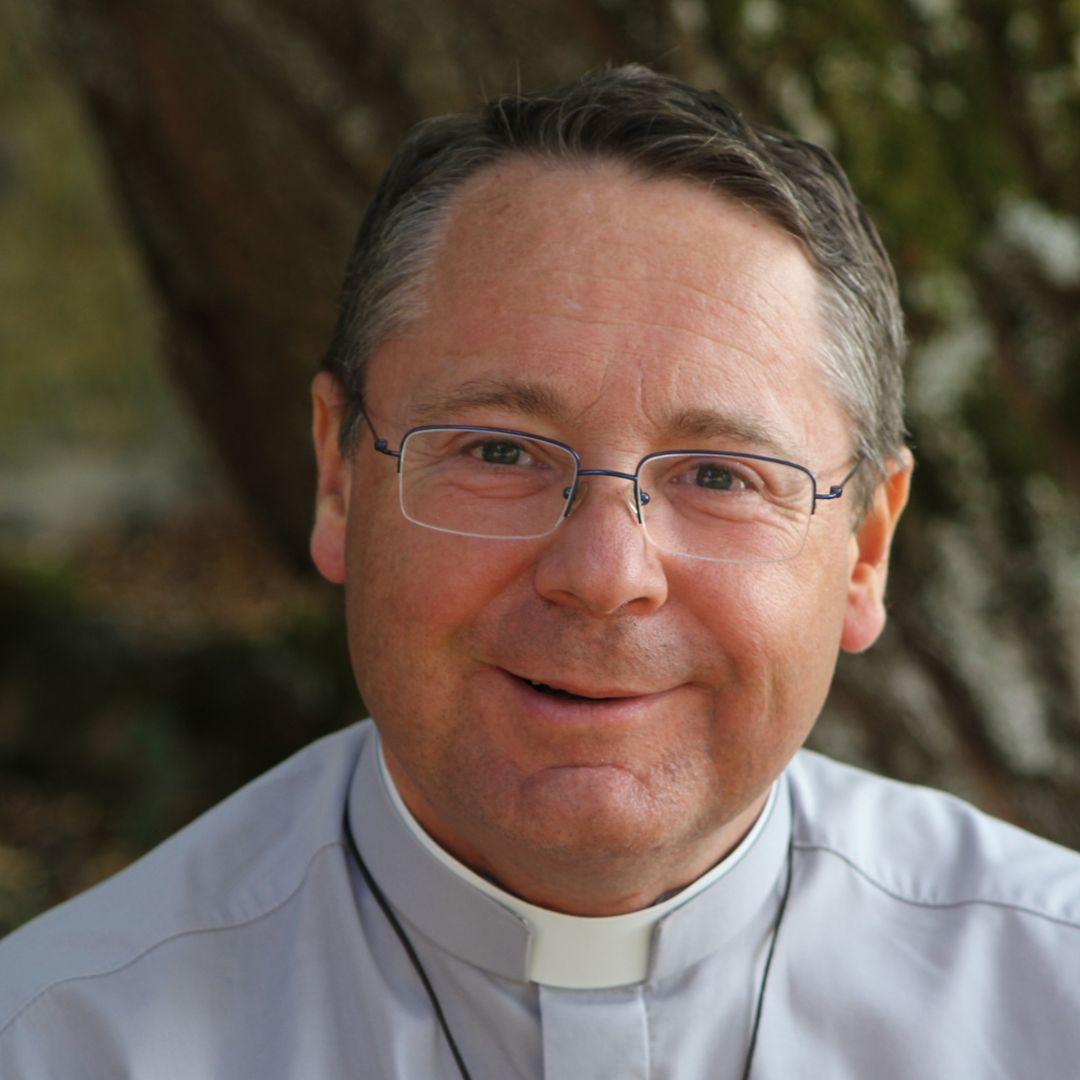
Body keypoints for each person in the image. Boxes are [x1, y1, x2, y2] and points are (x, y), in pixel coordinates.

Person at [2, 64, 1078, 1080]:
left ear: (867, 549)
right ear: (338, 478)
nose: (605, 573)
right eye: (500, 452)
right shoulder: (62, 1039)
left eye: (719, 473)